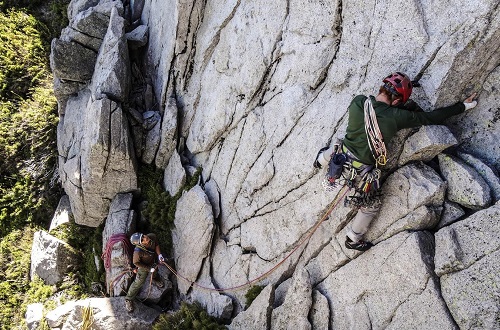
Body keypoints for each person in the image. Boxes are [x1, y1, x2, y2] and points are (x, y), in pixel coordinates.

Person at [314, 72, 478, 251]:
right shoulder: (397, 116)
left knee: (341, 143)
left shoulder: (359, 102)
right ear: (398, 101)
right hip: (362, 171)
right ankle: (353, 239)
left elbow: (374, 110)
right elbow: (430, 117)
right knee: (371, 206)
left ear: (381, 88)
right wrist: (463, 106)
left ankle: (320, 160)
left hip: (341, 155)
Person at [125, 232, 165, 312]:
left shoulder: (152, 236)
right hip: (143, 266)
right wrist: (148, 268)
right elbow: (136, 263)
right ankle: (128, 299)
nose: (145, 238)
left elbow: (156, 243)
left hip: (152, 261)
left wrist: (159, 255)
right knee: (139, 282)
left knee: (155, 272)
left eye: (143, 236)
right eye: (142, 240)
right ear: (140, 244)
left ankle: (155, 279)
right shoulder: (138, 252)